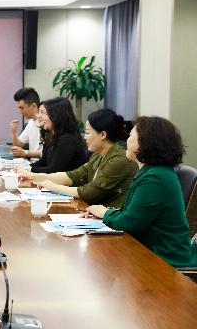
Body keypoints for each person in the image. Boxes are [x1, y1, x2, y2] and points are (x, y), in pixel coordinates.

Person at [84, 116, 197, 268]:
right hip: (149, 252)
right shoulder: (151, 172)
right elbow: (132, 215)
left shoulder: (156, 177)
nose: (126, 140)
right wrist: (107, 212)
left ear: (144, 142)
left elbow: (129, 222)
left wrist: (105, 213)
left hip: (166, 259)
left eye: (131, 135)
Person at [23, 108, 137, 208]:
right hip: (95, 213)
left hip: (111, 218)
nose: (85, 137)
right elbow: (73, 176)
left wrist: (53, 187)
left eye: (87, 132)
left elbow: (89, 192)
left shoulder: (119, 159)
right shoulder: (98, 155)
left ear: (103, 135)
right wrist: (34, 177)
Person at [27, 97, 87, 173]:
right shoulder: (50, 135)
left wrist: (28, 170)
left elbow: (54, 170)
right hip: (55, 179)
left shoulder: (67, 139)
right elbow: (43, 162)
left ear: (57, 115)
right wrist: (25, 167)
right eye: (39, 112)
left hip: (67, 180)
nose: (39, 116)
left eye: (43, 113)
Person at [9, 87, 42, 160]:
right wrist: (13, 133)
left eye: (22, 108)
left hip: (40, 165)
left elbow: (46, 153)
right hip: (32, 163)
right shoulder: (31, 122)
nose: (20, 112)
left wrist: (25, 152)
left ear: (33, 105)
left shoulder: (45, 123)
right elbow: (19, 145)